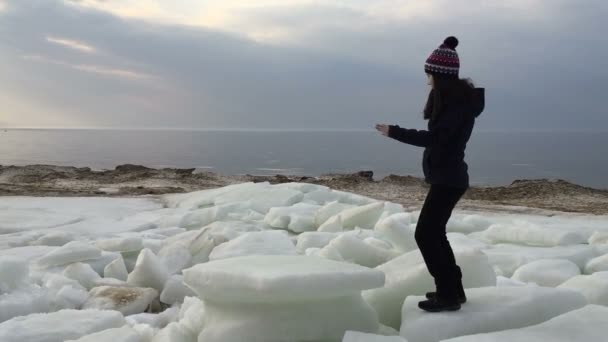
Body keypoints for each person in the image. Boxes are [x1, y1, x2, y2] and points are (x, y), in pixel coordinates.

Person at [375, 36, 485, 312]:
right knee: (434, 234)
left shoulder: (456, 107)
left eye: (430, 74)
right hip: (447, 178)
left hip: (449, 180)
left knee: (426, 234)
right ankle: (452, 290)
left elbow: (435, 139)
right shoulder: (450, 101)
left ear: (440, 75)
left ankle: (448, 294)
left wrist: (395, 132)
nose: (427, 79)